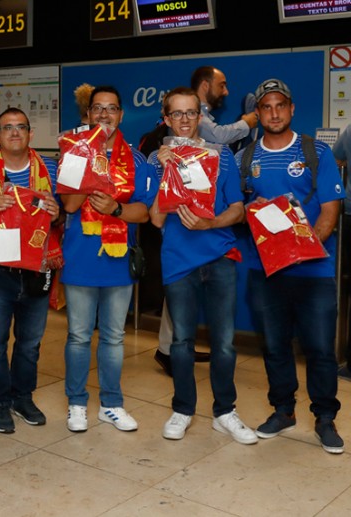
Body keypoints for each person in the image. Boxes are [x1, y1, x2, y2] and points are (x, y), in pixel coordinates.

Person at [239, 78, 346, 454]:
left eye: (279, 105)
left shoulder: (315, 151)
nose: (273, 113)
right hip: (264, 271)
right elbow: (238, 209)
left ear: (292, 109)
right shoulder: (245, 158)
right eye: (265, 107)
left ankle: (325, 417)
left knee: (319, 347)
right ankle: (283, 410)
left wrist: (301, 250)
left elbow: (331, 211)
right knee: (275, 345)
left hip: (313, 271)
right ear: (258, 113)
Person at [149, 87, 257, 445]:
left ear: (200, 117)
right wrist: (167, 170)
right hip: (179, 262)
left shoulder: (222, 155)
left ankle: (224, 411)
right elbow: (155, 219)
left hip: (219, 258)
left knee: (224, 344)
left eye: (190, 113)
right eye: (176, 114)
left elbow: (238, 209)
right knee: (180, 342)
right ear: (166, 119)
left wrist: (209, 224)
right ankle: (182, 409)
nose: (184, 120)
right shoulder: (156, 159)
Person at [60, 86, 156, 433]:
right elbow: (69, 205)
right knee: (79, 336)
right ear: (87, 115)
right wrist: (88, 163)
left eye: (111, 109)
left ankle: (111, 405)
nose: (104, 115)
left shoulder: (137, 159)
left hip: (118, 260)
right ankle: (76, 404)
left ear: (120, 115)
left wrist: (115, 208)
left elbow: (143, 212)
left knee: (114, 337)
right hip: (80, 256)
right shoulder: (72, 154)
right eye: (97, 109)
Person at [0, 107, 60, 434]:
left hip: (37, 269)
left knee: (30, 343)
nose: (15, 133)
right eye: (7, 128)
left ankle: (23, 397)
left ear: (31, 134)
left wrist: (56, 212)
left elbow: (64, 216)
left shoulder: (49, 168)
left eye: (21, 127)